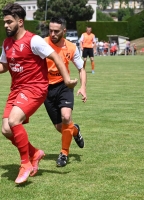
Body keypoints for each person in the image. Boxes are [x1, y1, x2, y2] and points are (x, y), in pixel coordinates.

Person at [0, 3, 77, 184]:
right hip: (16, 89)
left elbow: (55, 57)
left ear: (20, 21)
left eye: (9, 22)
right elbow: (5, 65)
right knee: (6, 129)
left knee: (13, 121)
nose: (5, 25)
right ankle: (35, 153)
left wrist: (66, 80)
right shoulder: (7, 43)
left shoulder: (34, 40)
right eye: (5, 22)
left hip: (35, 88)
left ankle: (25, 163)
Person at [44, 17, 86, 167]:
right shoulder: (42, 44)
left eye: (56, 31)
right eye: (50, 30)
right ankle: (75, 131)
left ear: (64, 31)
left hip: (64, 85)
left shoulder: (71, 47)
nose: (53, 34)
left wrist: (83, 87)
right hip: (46, 88)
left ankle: (64, 153)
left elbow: (81, 68)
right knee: (60, 127)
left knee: (66, 117)